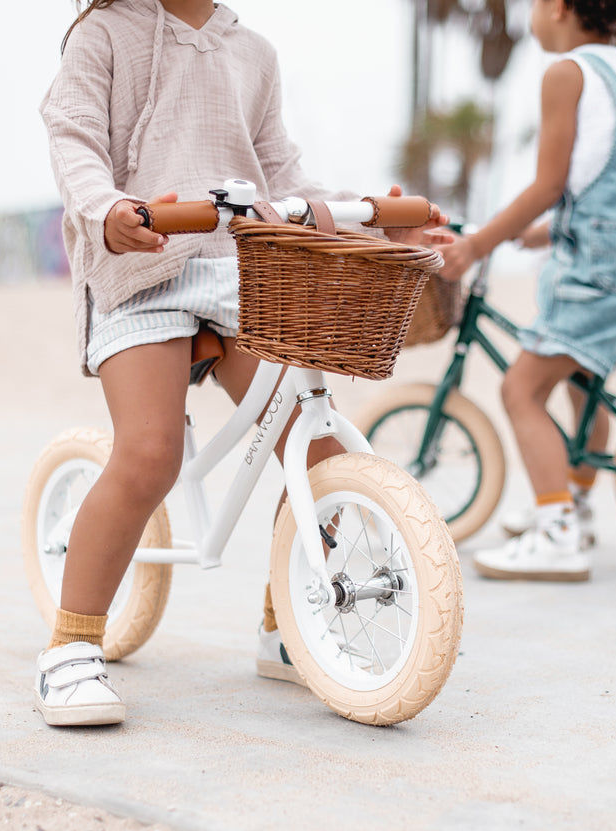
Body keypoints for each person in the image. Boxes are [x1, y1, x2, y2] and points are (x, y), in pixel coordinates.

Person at [36, 0, 446, 726]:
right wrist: (107, 209)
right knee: (149, 454)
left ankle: (286, 623)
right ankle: (70, 647)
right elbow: (73, 141)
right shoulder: (103, 34)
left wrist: (362, 212)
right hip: (142, 267)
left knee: (313, 442)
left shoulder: (250, 50)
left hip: (241, 268)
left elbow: (278, 171)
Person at [438, 0, 616, 582]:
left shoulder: (567, 73)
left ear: (561, 8)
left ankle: (557, 535)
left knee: (522, 390)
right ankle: (574, 505)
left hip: (604, 269)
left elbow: (549, 183)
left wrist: (478, 245)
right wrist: (542, 234)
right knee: (579, 383)